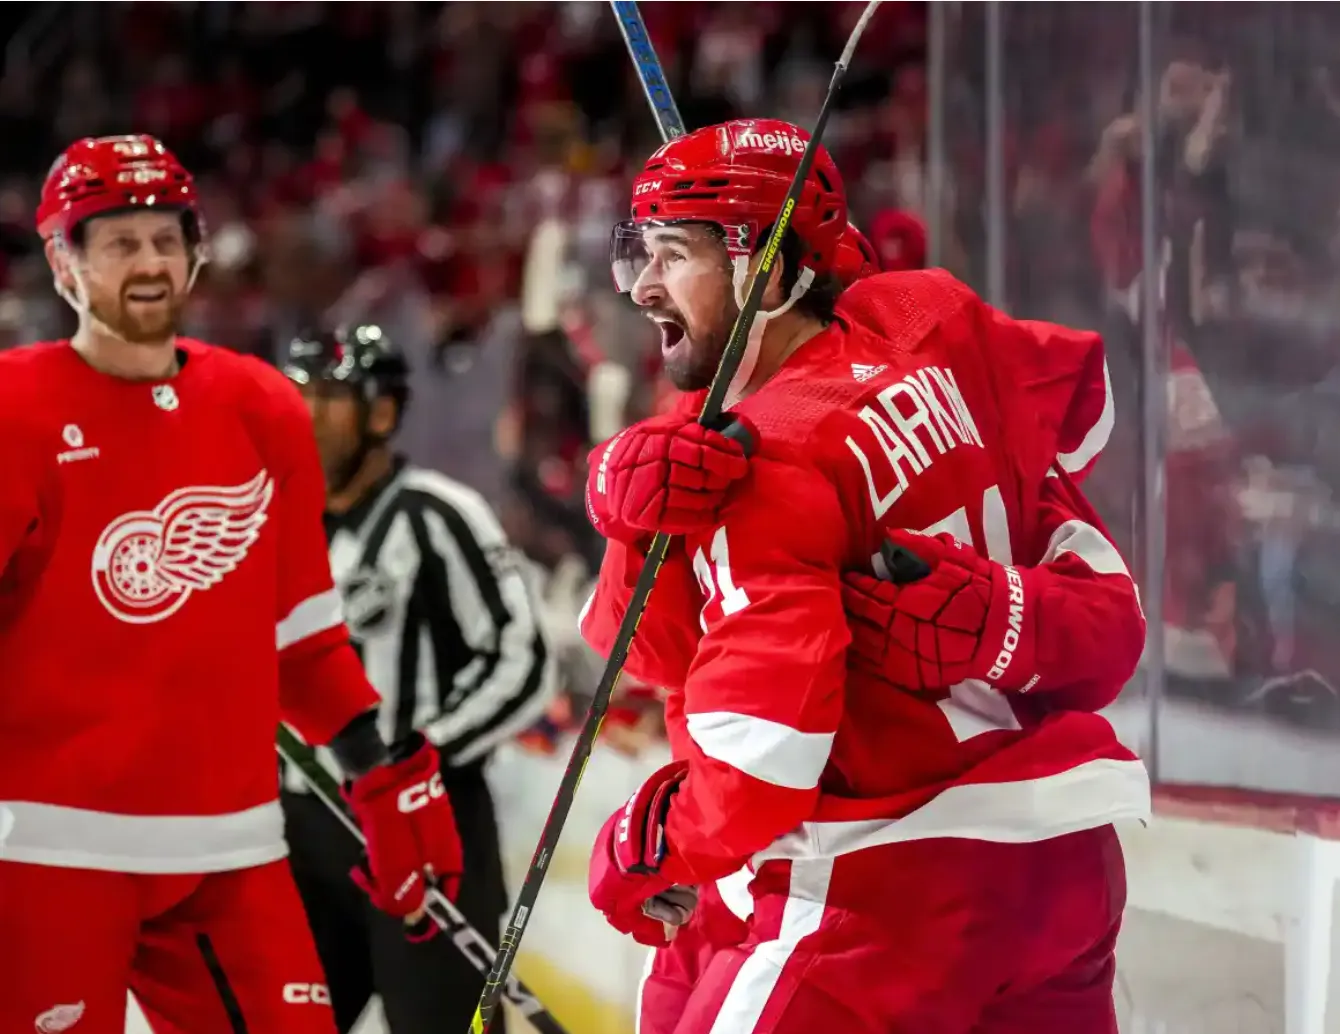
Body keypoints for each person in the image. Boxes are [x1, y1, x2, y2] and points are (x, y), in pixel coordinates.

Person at [579, 118, 1150, 1034]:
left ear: (765, 270)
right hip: (1066, 869)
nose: (642, 284)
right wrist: (633, 522)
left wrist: (646, 849)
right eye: (638, 253)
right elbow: (1084, 420)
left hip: (883, 896)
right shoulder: (935, 317)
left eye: (672, 253)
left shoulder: (759, 461)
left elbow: (758, 759)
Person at [0, 134, 463, 1034]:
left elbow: (303, 639)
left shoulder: (260, 407)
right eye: (118, 241)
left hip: (232, 852)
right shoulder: (13, 410)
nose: (149, 262)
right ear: (63, 260)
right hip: (47, 851)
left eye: (166, 239)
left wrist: (382, 774)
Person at [279, 324, 557, 1034]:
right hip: (303, 835)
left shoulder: (438, 513)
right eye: (299, 392)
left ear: (381, 412)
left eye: (331, 396)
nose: (307, 413)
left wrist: (420, 754)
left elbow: (521, 661)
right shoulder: (279, 524)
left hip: (430, 826)